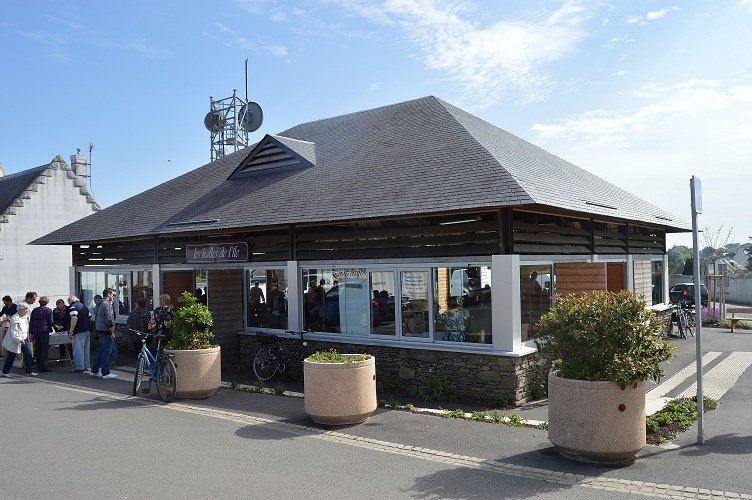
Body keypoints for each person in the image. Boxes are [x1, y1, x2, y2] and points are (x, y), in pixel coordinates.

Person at [1, 302, 37, 377]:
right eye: (25, 309)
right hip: (15, 340)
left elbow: (26, 328)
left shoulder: (26, 316)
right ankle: (5, 372)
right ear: (20, 310)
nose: (26, 310)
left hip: (24, 339)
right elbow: (14, 332)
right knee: (11, 356)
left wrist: (28, 336)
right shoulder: (15, 318)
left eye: (27, 309)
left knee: (28, 354)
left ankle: (29, 371)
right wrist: (19, 339)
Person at [90, 287, 117, 379]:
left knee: (101, 351)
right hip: (106, 330)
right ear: (108, 294)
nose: (113, 297)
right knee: (106, 352)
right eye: (113, 295)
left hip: (99, 329)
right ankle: (106, 372)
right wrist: (112, 331)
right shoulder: (107, 304)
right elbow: (109, 319)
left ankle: (94, 370)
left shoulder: (99, 303)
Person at [29, 296, 55, 373]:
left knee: (38, 348)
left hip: (35, 331)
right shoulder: (48, 310)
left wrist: (30, 332)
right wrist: (55, 326)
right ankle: (43, 366)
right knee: (44, 349)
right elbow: (51, 322)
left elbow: (31, 321)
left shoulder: (34, 310)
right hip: (44, 330)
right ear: (47, 302)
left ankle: (38, 365)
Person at [67, 295, 91, 373]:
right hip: (86, 329)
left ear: (70, 302)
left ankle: (79, 367)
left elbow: (74, 317)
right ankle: (86, 365)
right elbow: (90, 317)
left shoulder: (73, 307)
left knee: (78, 349)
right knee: (86, 349)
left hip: (78, 330)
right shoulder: (84, 306)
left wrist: (71, 330)